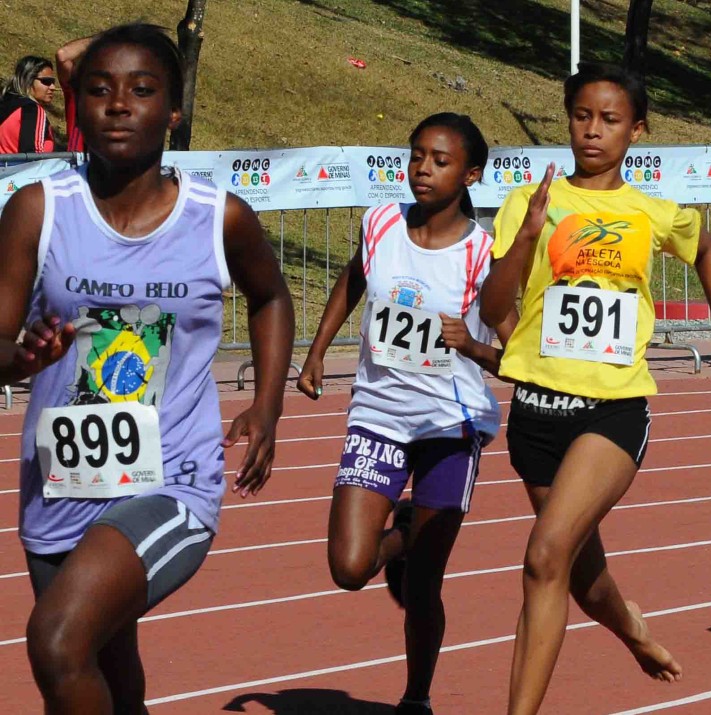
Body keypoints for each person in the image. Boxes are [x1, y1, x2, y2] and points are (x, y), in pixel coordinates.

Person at [0, 25, 292, 710]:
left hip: (171, 481)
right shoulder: (38, 211)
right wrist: (23, 356)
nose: (119, 104)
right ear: (78, 105)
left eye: (142, 90)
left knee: (57, 638)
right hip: (61, 481)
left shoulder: (217, 219)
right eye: (99, 90)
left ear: (174, 110)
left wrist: (267, 404)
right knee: (98, 663)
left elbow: (272, 296)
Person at [478, 62, 711, 714]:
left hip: (612, 409)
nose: (592, 131)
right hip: (537, 409)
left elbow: (708, 248)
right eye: (582, 116)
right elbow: (493, 302)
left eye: (609, 119)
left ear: (638, 129)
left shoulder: (652, 212)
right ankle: (630, 625)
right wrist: (525, 236)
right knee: (577, 573)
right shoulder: (530, 201)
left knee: (543, 555)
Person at [295, 113, 500, 715]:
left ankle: (416, 698)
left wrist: (473, 346)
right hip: (379, 413)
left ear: (470, 174)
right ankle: (407, 529)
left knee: (422, 585)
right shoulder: (381, 220)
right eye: (416, 157)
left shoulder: (484, 255)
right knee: (349, 567)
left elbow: (509, 347)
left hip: (449, 425)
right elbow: (354, 278)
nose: (422, 170)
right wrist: (316, 351)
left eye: (439, 160)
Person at [1, 56, 61, 154]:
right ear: (28, 80)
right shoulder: (32, 110)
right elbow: (35, 155)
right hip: (20, 168)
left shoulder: (6, 100)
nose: (53, 87)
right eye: (46, 81)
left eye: (53, 82)